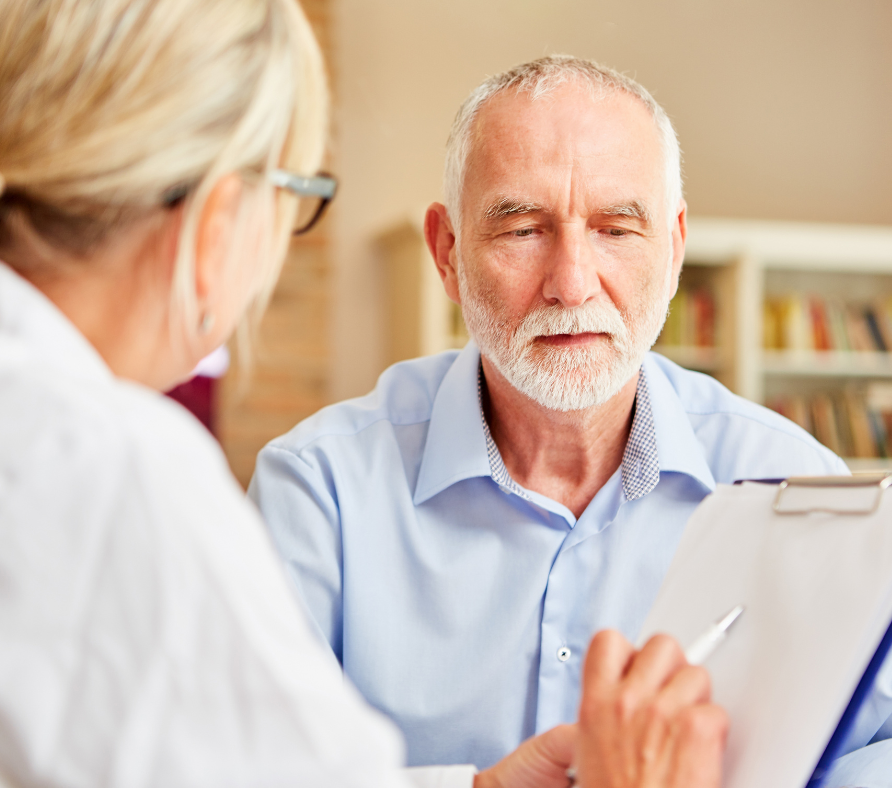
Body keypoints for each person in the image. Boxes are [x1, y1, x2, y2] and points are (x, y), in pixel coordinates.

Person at [0, 3, 730, 787]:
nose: (570, 283)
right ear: (223, 216)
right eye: (295, 193)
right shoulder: (118, 468)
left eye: (616, 229)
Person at [250, 55, 892, 782]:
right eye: (523, 230)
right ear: (447, 253)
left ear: (675, 248)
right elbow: (234, 767)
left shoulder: (797, 487)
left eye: (617, 229)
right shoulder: (320, 489)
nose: (573, 283)